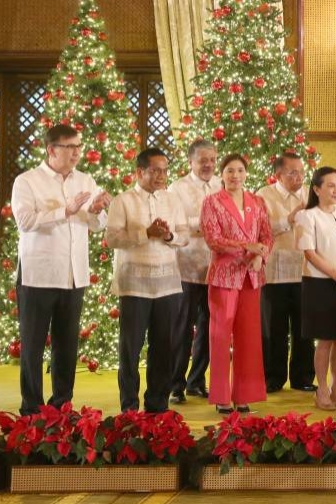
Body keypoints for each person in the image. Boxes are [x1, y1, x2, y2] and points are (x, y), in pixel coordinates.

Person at [11, 123, 111, 415]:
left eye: (79, 147)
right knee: (32, 344)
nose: (77, 153)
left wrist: (95, 211)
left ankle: (62, 405)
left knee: (66, 344)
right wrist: (64, 210)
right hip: (38, 274)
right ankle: (31, 408)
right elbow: (25, 222)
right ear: (52, 149)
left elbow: (97, 225)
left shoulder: (86, 179)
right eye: (70, 147)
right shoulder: (27, 181)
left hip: (73, 274)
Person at [105, 148, 188, 413]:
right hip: (134, 285)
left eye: (165, 170)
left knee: (163, 348)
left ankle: (157, 405)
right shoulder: (123, 200)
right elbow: (113, 239)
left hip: (168, 285)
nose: (162, 176)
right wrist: (146, 233)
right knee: (130, 349)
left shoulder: (173, 200)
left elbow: (184, 235)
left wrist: (167, 236)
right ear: (140, 172)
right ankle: (129, 407)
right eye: (155, 171)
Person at [201, 154, 273, 414]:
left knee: (249, 336)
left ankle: (244, 394)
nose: (235, 176)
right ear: (221, 175)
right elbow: (213, 239)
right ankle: (221, 396)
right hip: (224, 276)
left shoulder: (257, 201)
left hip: (251, 277)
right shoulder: (212, 202)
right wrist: (247, 247)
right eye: (230, 171)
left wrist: (259, 255)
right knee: (220, 336)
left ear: (246, 173)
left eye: (240, 170)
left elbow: (267, 235)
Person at [295, 167, 336, 412]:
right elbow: (310, 254)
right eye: (330, 185)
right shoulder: (307, 216)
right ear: (316, 189)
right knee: (324, 339)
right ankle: (321, 388)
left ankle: (335, 387)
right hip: (320, 283)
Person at [258, 153, 314, 394]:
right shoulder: (264, 195)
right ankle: (273, 377)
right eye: (292, 172)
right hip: (274, 273)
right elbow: (261, 229)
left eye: (301, 171)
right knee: (274, 328)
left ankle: (302, 377)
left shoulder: (310, 193)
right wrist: (290, 218)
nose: (299, 177)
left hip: (305, 270)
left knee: (304, 327)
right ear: (279, 175)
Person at [168, 140, 219, 405]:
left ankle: (196, 381)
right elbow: (174, 222)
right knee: (182, 329)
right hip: (186, 267)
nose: (208, 164)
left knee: (210, 329)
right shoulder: (178, 188)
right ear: (191, 162)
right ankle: (175, 384)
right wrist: (206, 226)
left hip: (217, 269)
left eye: (212, 159)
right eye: (203, 160)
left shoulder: (222, 184)